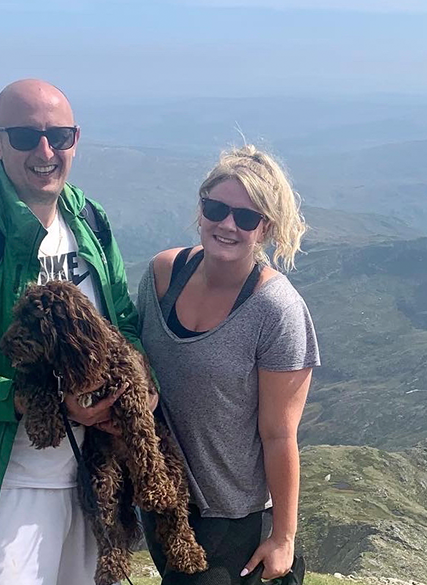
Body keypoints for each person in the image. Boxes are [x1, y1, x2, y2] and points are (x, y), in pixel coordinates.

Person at [138, 145, 319, 584]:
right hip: (164, 501)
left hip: (233, 518)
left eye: (246, 217)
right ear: (200, 209)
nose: (226, 224)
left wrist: (284, 538)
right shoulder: (164, 274)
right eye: (215, 208)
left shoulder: (276, 309)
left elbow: (279, 434)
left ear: (266, 228)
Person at [0, 79, 146, 584]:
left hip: (92, 477)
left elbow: (122, 321)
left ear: (75, 140)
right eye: (24, 136)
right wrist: (46, 404)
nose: (45, 151)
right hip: (15, 483)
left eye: (58, 136)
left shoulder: (88, 218)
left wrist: (136, 389)